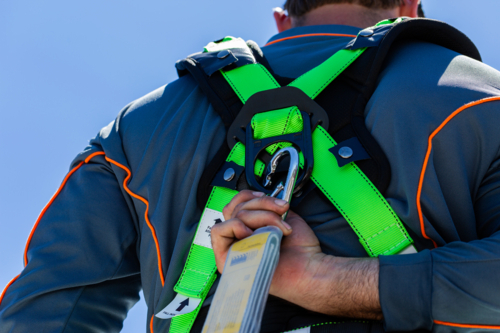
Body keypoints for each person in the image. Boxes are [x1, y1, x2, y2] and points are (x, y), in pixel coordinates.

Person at [1, 0, 500, 332]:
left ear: (284, 18)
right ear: (409, 7)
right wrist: (331, 283)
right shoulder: (480, 99)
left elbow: (44, 316)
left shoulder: (130, 133)